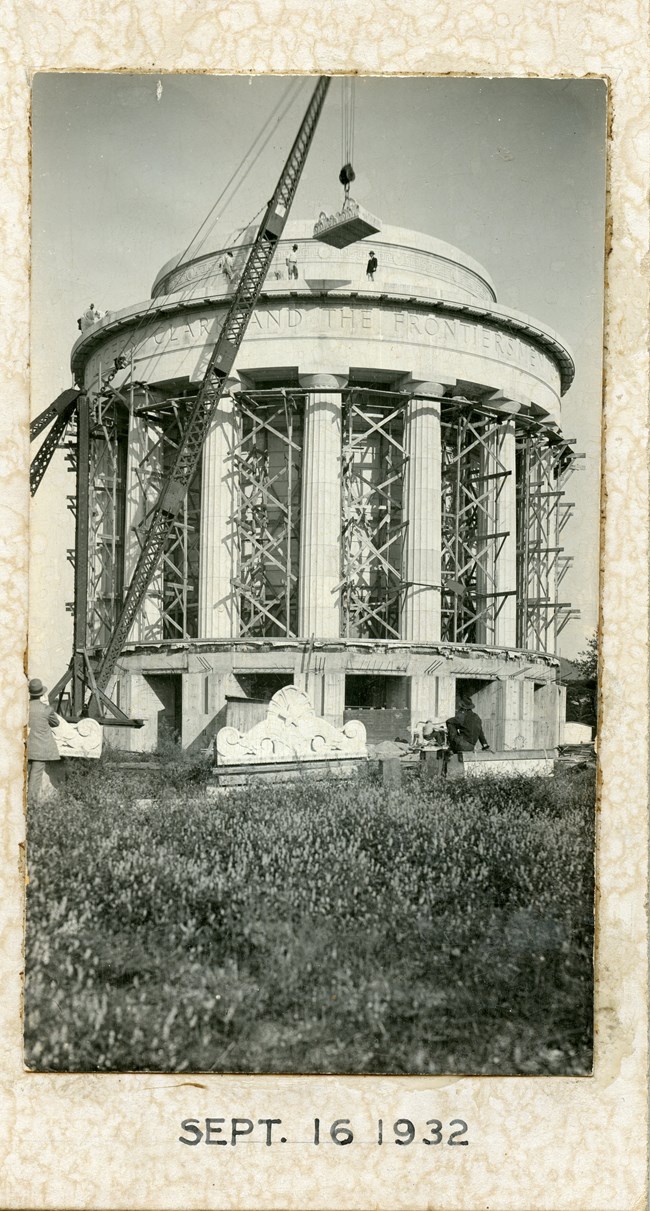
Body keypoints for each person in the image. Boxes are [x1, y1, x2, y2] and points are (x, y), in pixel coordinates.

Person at [26, 678, 61, 805]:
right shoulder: (46, 709)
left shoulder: (23, 707)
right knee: (35, 778)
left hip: (25, 748)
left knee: (26, 776)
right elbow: (56, 723)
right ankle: (31, 805)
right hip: (40, 750)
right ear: (41, 693)